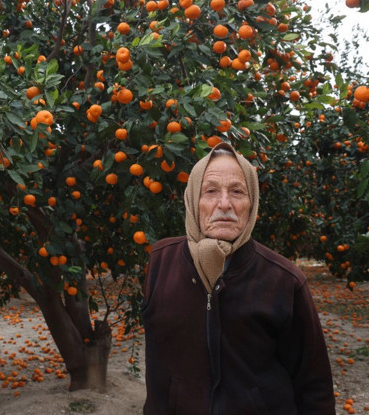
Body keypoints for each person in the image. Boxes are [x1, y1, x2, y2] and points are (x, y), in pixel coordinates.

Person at [141, 142, 334, 414]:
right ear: (193, 199)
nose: (224, 204)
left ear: (252, 202)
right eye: (210, 191)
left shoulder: (284, 280)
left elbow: (314, 385)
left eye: (237, 191)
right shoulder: (161, 262)